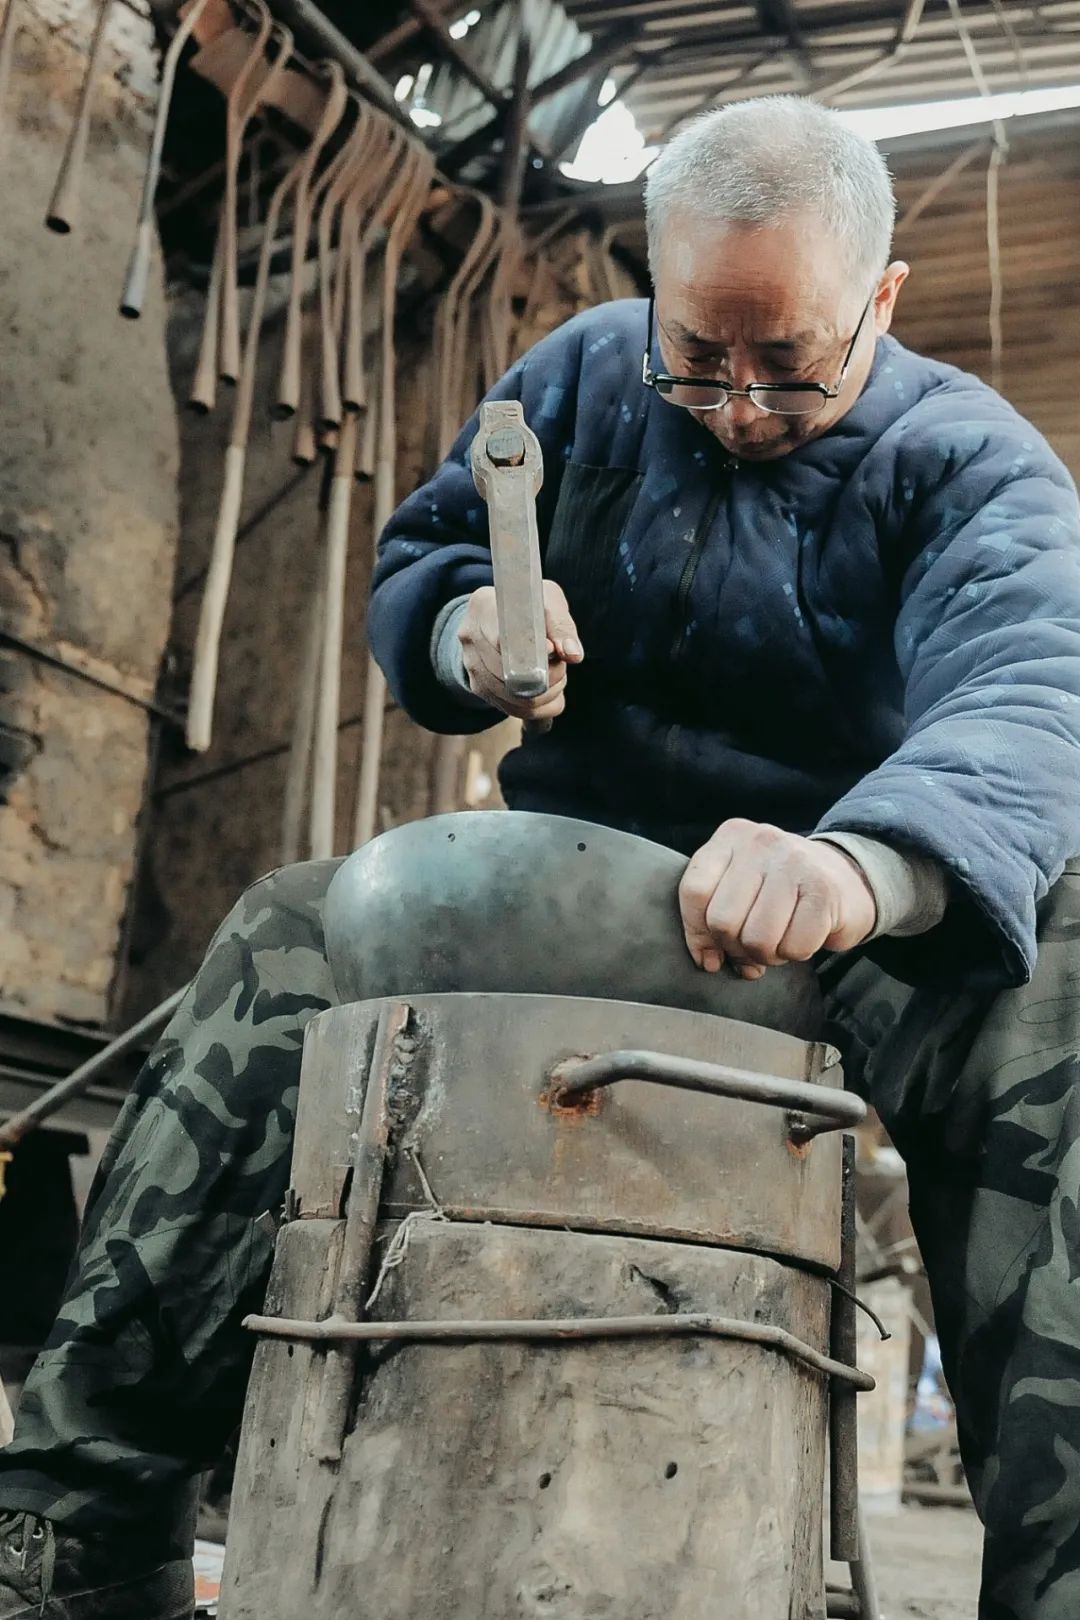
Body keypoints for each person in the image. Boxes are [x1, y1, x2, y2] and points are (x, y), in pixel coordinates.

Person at [3, 94, 1080, 1620]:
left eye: (790, 361)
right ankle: (75, 1540)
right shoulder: (579, 379)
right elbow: (433, 553)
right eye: (698, 353)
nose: (737, 404)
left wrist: (864, 865)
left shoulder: (974, 466)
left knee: (1060, 1016)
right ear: (654, 285)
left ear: (883, 299)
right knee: (288, 937)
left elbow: (1033, 696)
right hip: (584, 890)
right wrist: (461, 630)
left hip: (850, 921)